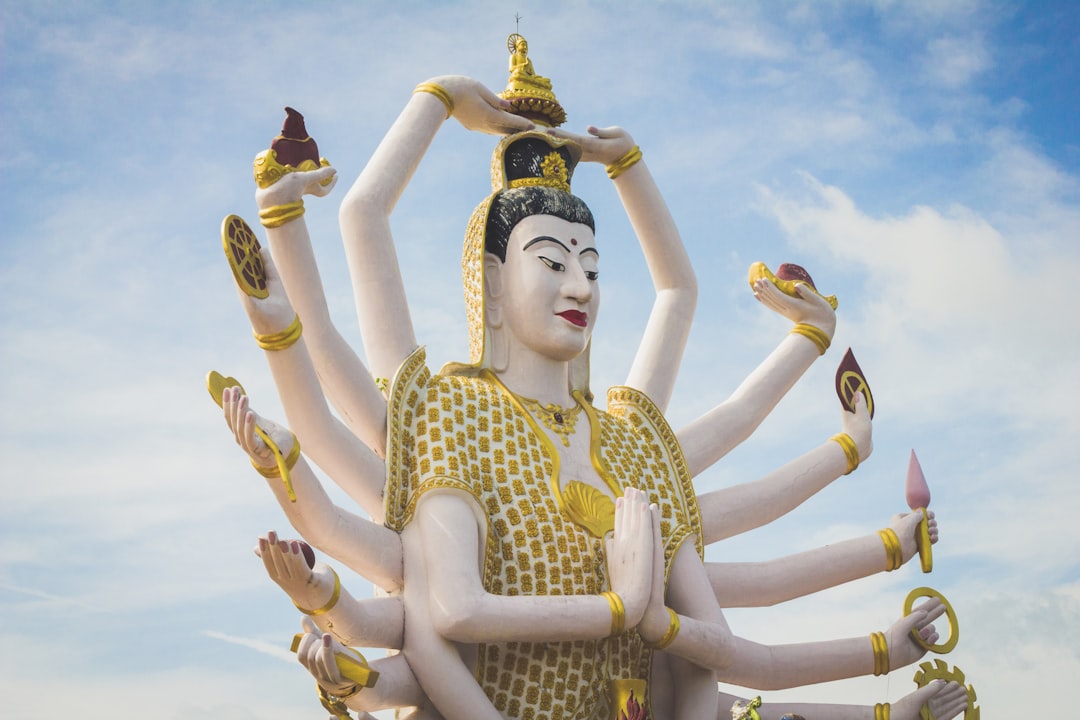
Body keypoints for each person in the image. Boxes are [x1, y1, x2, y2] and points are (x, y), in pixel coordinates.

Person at [220, 38, 970, 718]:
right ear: (491, 281)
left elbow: (745, 637)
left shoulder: (634, 448)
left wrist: (632, 170)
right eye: (551, 261)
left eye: (590, 266)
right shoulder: (453, 413)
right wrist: (443, 97)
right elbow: (362, 220)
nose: (579, 285)